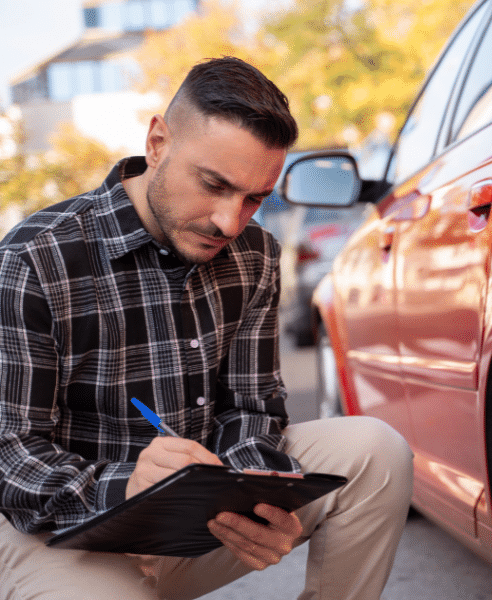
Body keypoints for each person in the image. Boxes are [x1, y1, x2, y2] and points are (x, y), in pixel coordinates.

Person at [0, 56, 413, 600]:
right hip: (66, 538)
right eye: (213, 184)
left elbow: (251, 408)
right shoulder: (34, 257)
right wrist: (125, 487)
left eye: (254, 199)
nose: (229, 221)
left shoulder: (255, 254)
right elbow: (11, 452)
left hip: (196, 521)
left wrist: (256, 501)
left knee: (376, 450)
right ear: (157, 143)